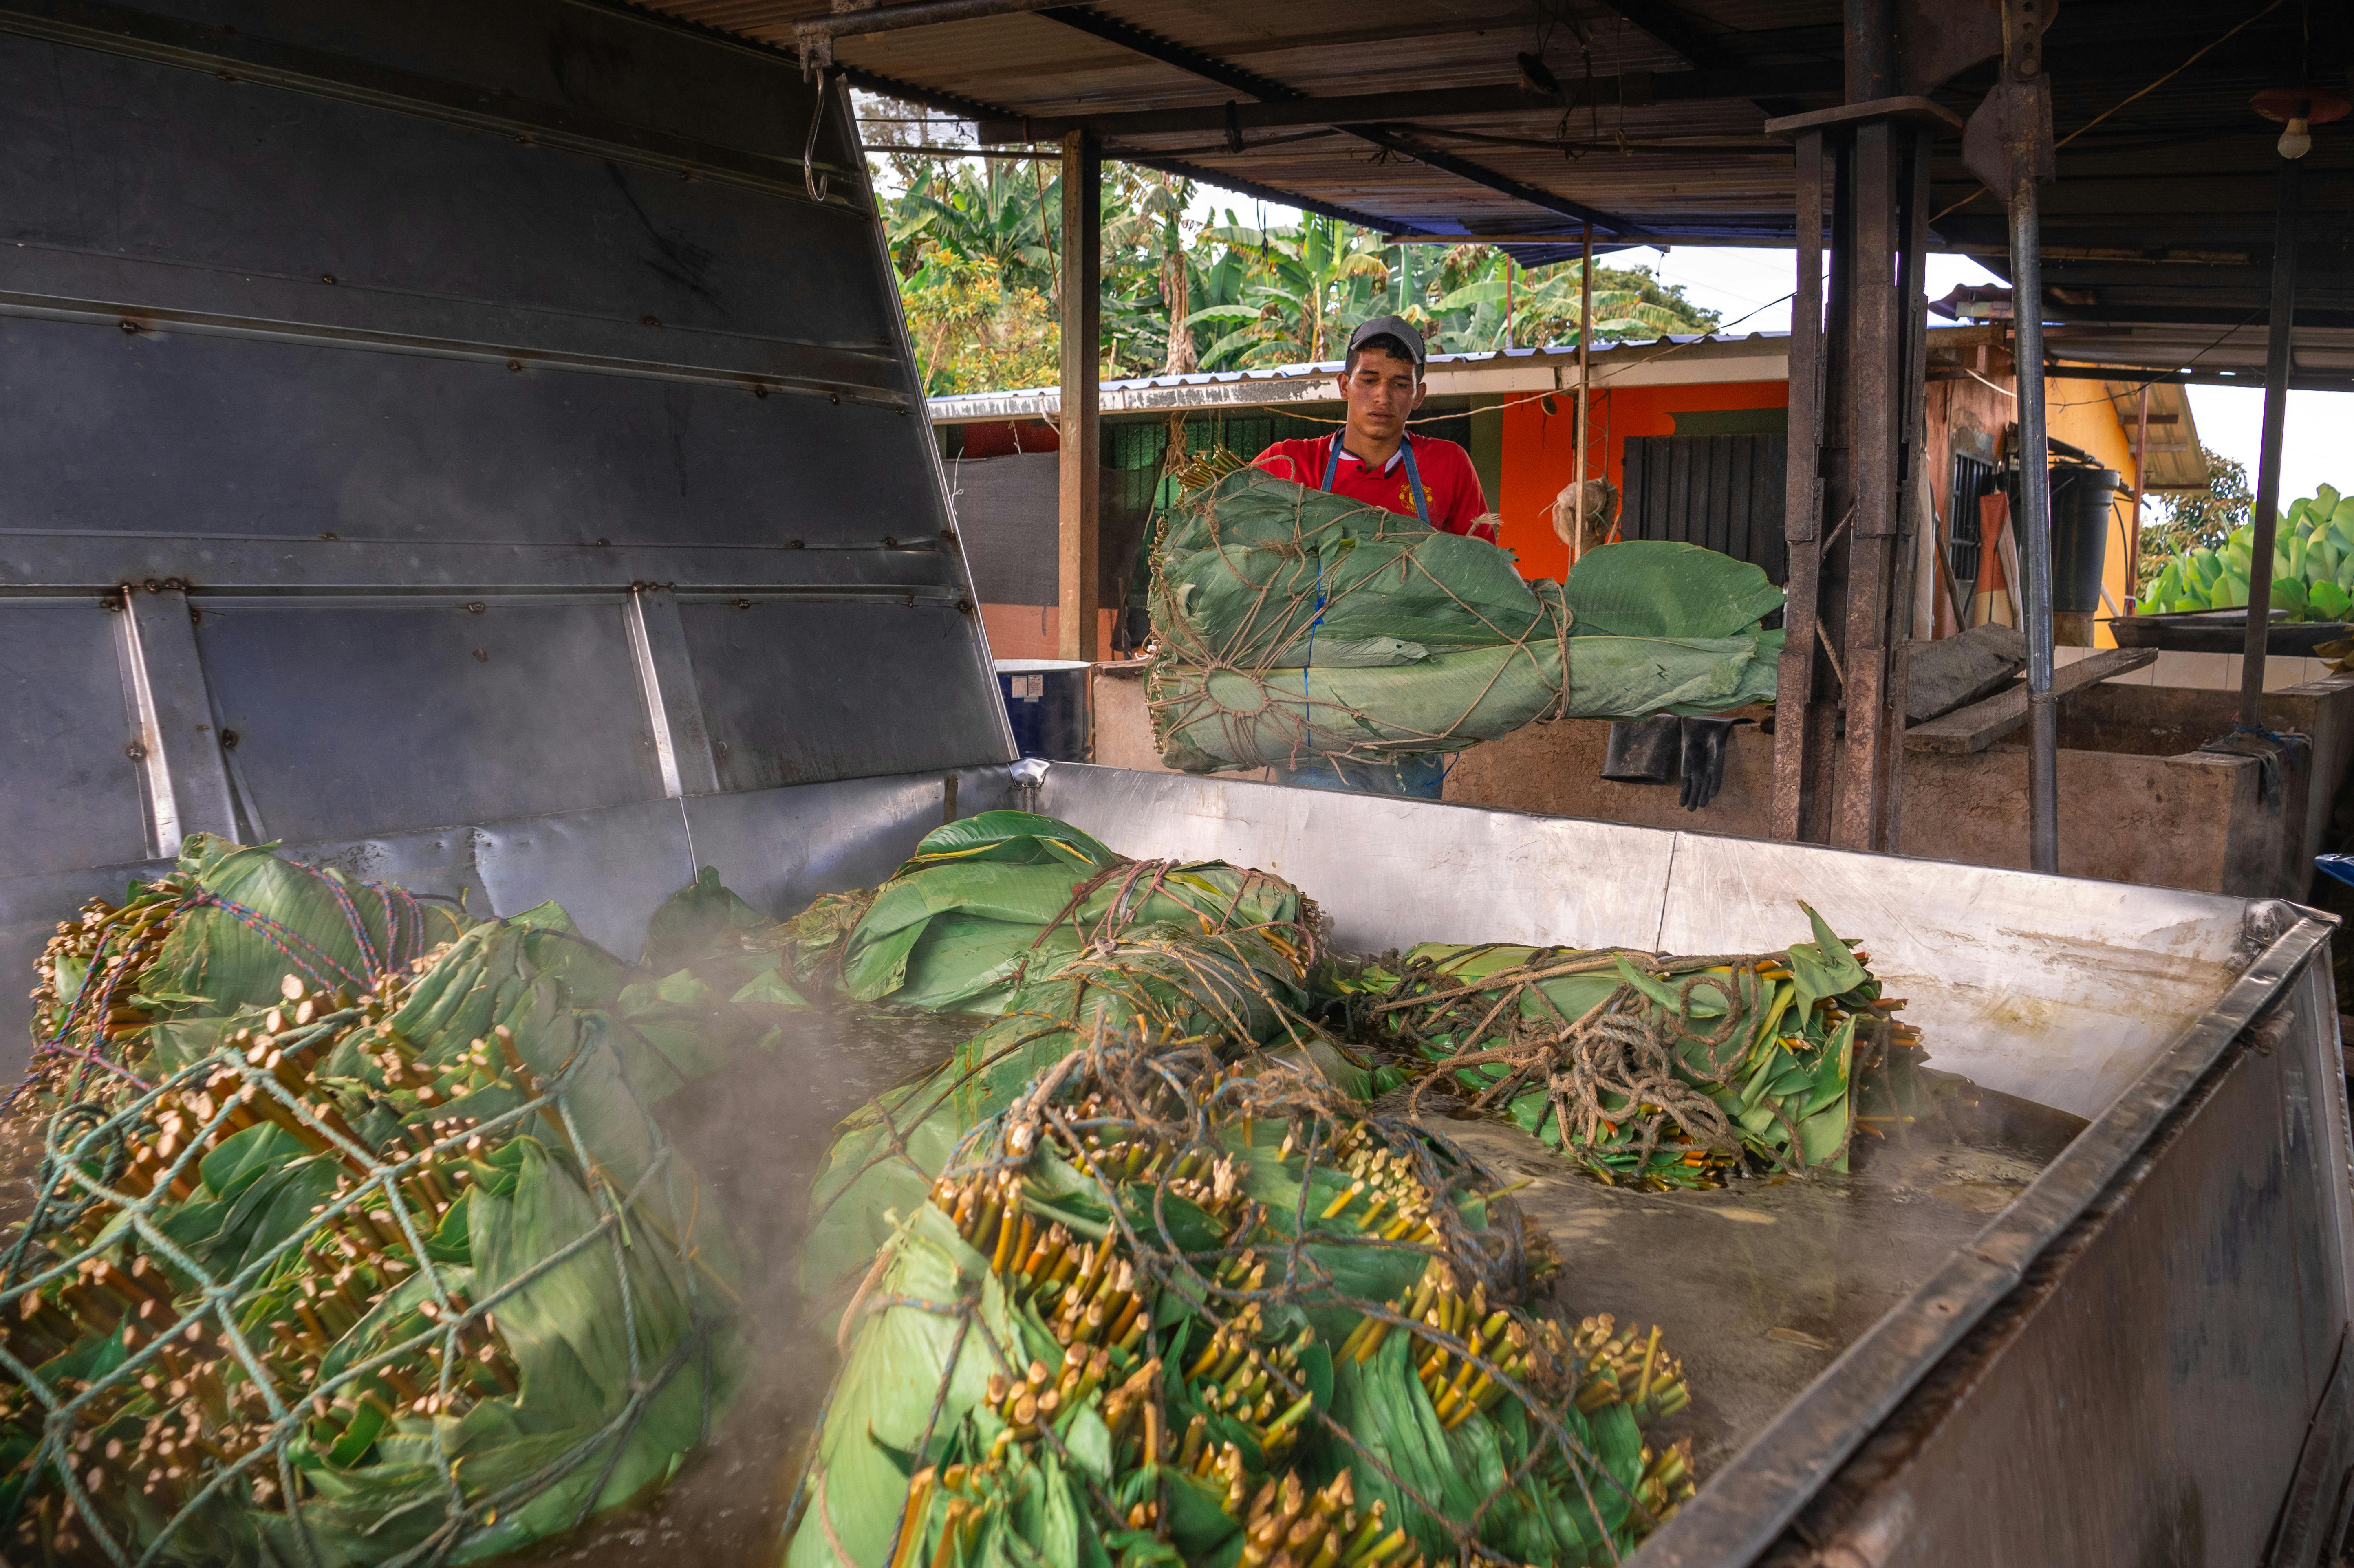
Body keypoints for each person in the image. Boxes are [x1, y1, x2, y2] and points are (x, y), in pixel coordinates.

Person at [1248, 315, 1493, 799]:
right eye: (1369, 380)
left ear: (1418, 395)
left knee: (1406, 843)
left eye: (1401, 384)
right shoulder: (1289, 464)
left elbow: (1479, 579)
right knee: (1314, 848)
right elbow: (1243, 566)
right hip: (1311, 710)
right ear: (1345, 384)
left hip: (1413, 708)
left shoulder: (1447, 467)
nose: (1383, 397)